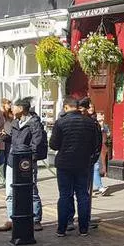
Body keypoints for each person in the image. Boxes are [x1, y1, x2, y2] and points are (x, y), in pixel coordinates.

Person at [49, 96, 101, 236]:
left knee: (65, 195)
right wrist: (90, 159)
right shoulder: (90, 123)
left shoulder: (60, 122)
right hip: (83, 164)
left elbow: (53, 145)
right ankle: (83, 229)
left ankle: (62, 229)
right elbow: (96, 145)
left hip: (64, 164)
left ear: (66, 107)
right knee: (83, 195)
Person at [0, 99, 45, 232]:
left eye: (14, 107)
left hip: (26, 163)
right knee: (10, 192)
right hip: (13, 160)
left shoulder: (34, 124)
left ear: (22, 109)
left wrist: (31, 159)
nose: (12, 109)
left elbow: (37, 143)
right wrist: (6, 137)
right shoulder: (16, 122)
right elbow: (14, 139)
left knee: (32, 190)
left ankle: (35, 219)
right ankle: (11, 219)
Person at [92, 112, 110, 196]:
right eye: (99, 120)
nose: (101, 122)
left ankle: (100, 187)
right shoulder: (93, 126)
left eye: (102, 120)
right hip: (91, 149)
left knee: (97, 167)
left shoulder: (105, 127)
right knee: (94, 167)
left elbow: (109, 135)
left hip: (101, 147)